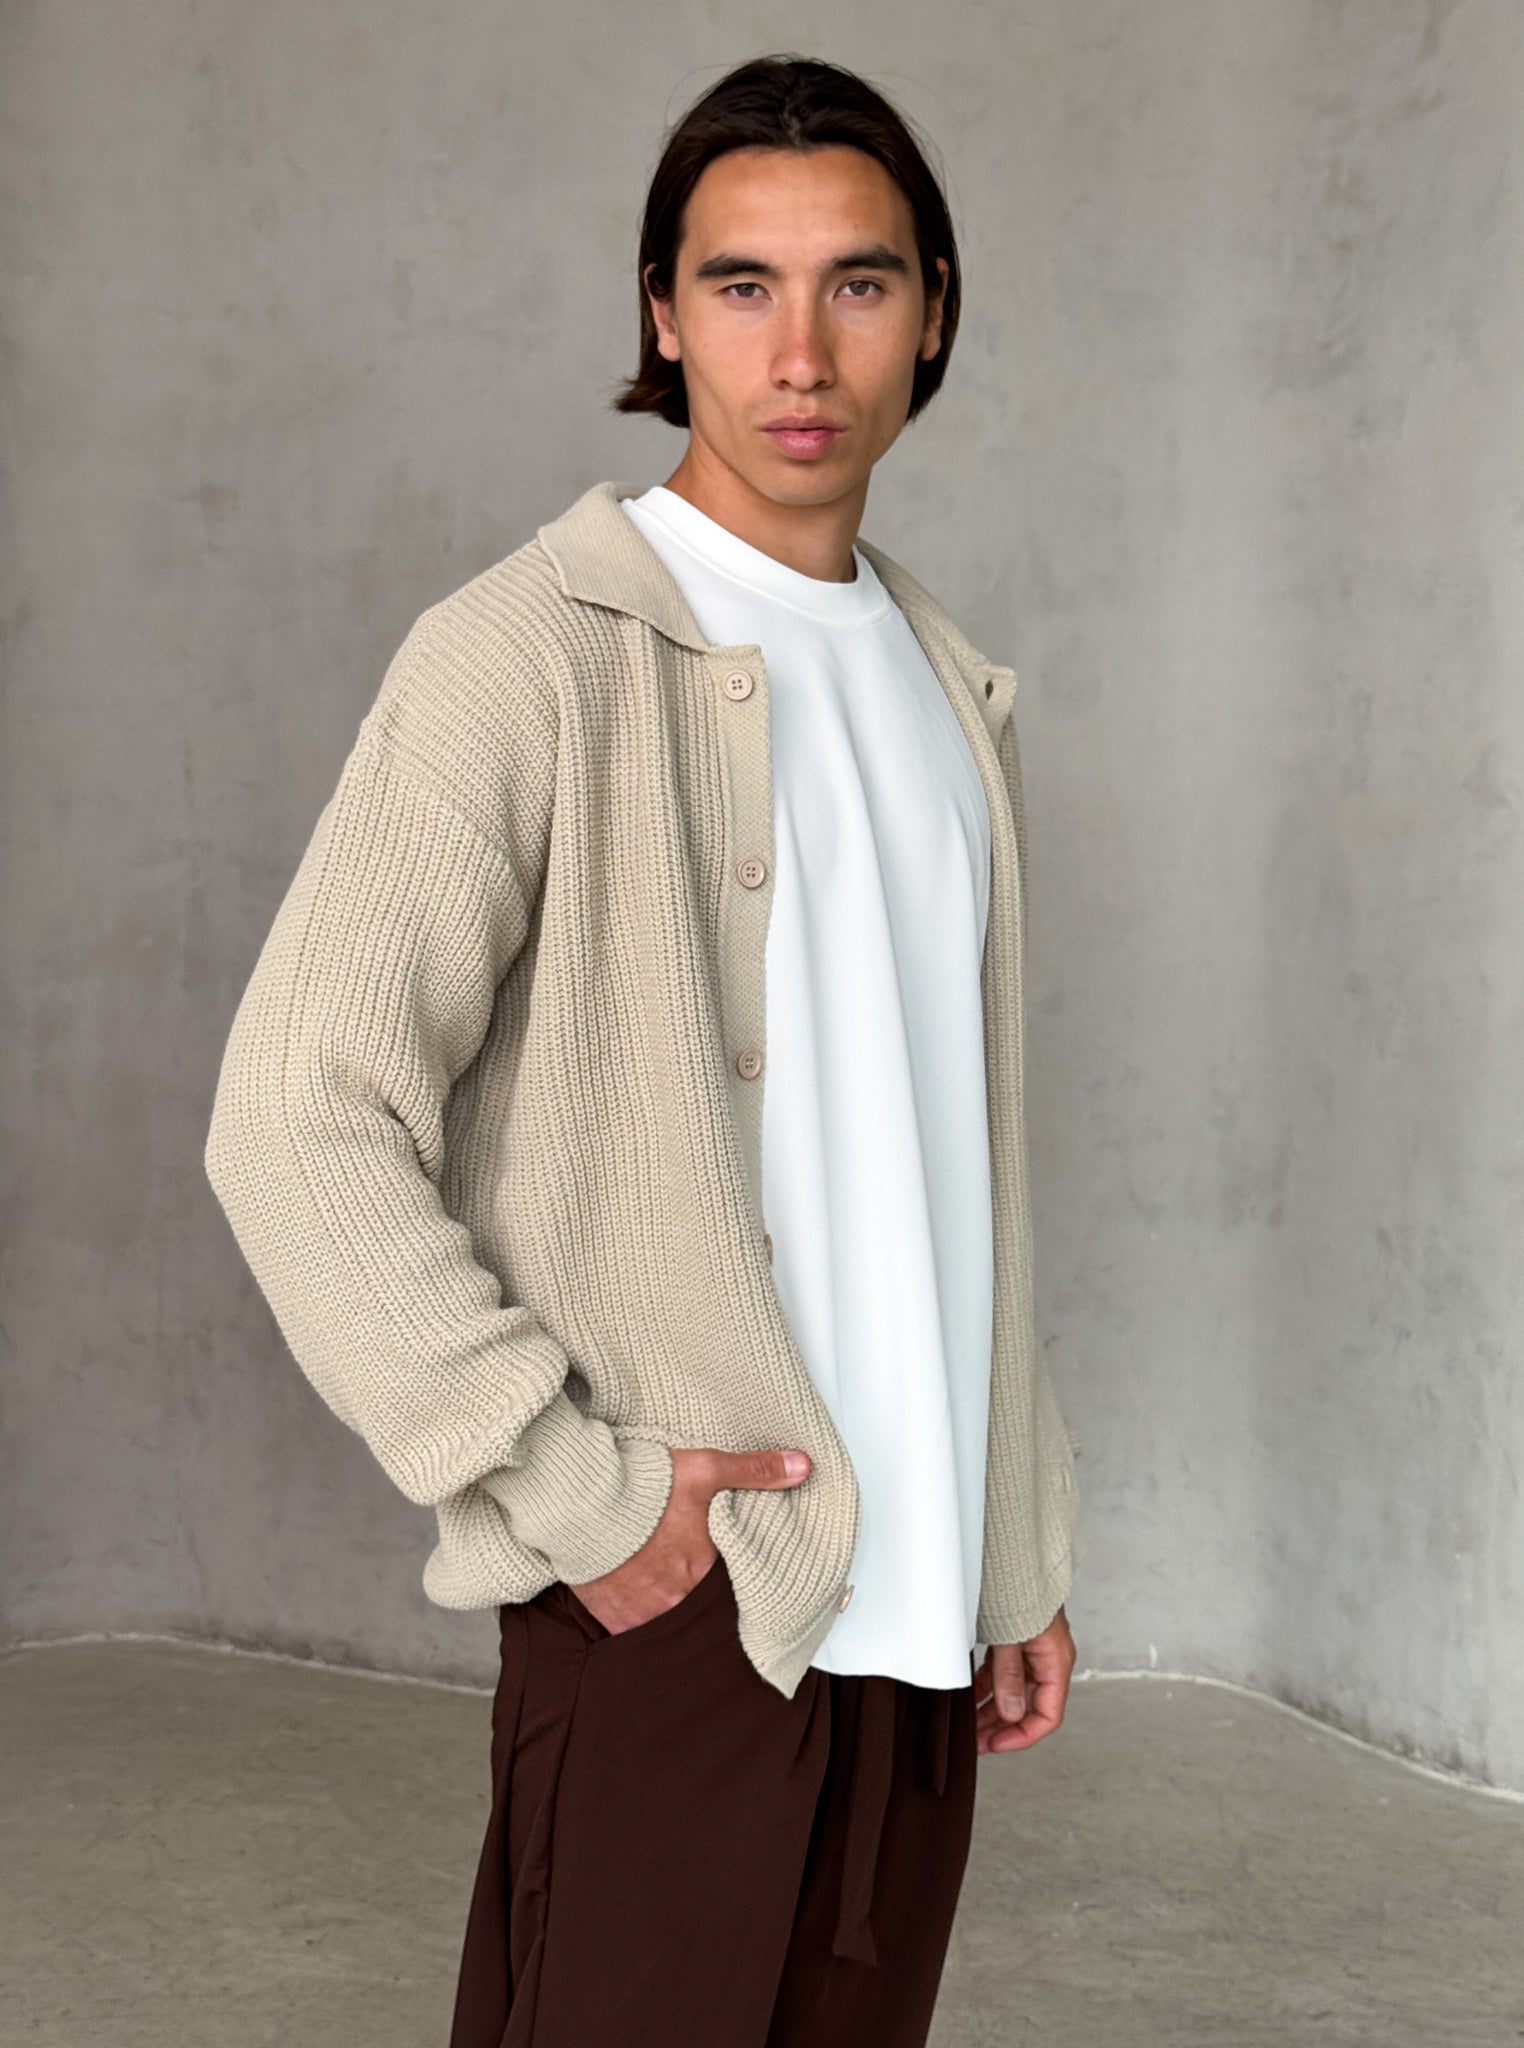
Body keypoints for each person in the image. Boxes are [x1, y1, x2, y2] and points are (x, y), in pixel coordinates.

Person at [204, 49, 1082, 2048]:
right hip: (687, 1592)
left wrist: (1014, 1537)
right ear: (662, 315)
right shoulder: (528, 654)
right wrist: (567, 1490)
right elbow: (296, 1112)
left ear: (933, 312)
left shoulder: (951, 692)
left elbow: (964, 1157)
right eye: (742, 284)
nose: (803, 351)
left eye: (859, 283)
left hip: (920, 1615)